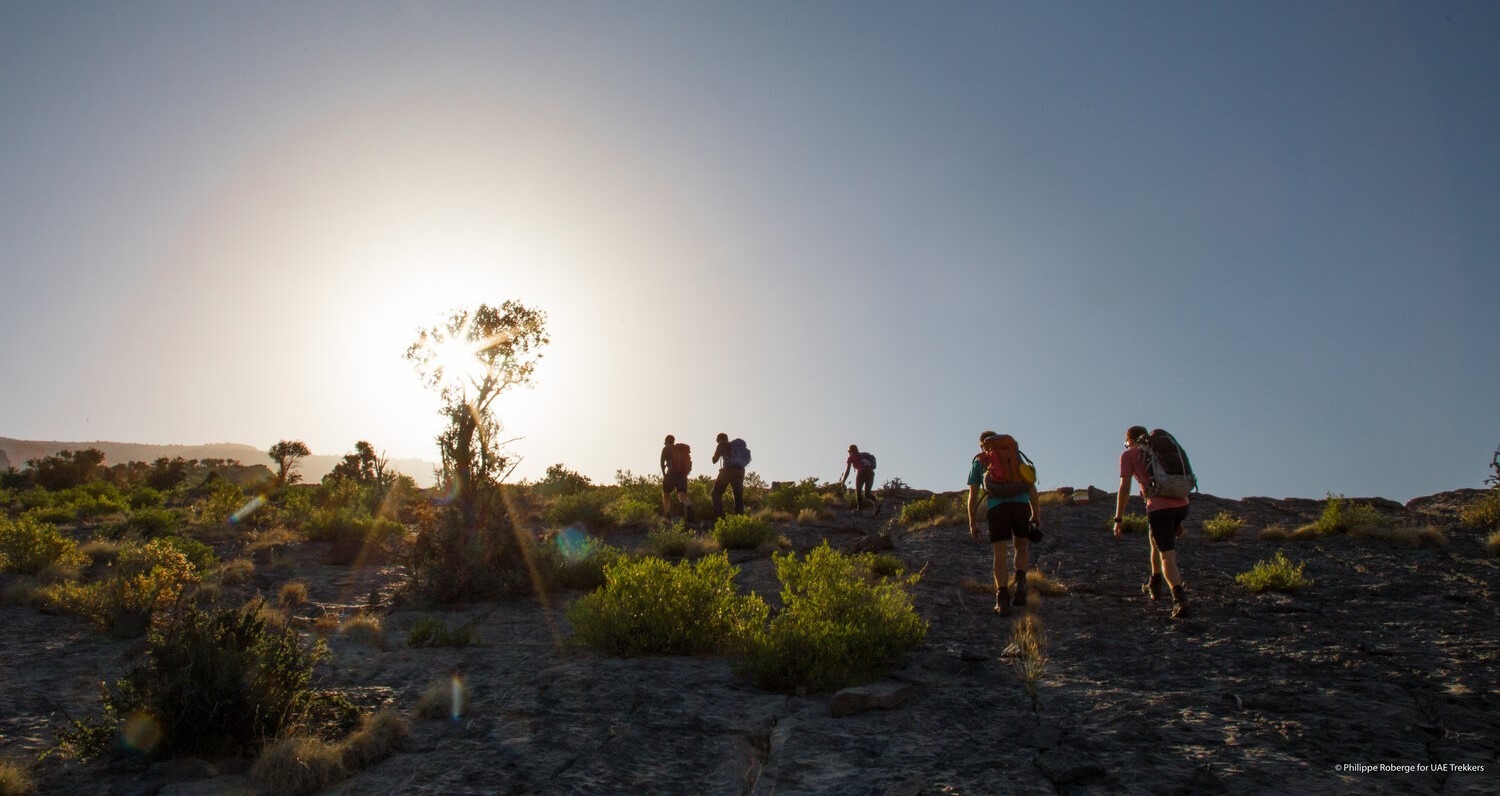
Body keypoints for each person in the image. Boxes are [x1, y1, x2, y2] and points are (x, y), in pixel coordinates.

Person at [1114, 425, 1190, 618]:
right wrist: (1178, 522)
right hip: (1182, 504)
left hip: (1159, 508)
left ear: (1130, 440)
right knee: (1153, 537)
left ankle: (1179, 598)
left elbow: (1124, 489)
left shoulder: (1130, 455)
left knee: (1167, 556)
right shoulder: (1159, 450)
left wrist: (1118, 518)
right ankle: (1154, 583)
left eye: (1126, 443)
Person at [966, 431, 1042, 616]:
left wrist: (972, 522)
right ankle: (1021, 583)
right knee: (1021, 546)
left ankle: (1002, 599)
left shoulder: (980, 461)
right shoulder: (1014, 456)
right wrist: (1035, 513)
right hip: (1021, 504)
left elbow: (973, 496)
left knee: (1000, 553)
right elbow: (1030, 485)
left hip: (997, 507)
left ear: (983, 445)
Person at [710, 432, 747, 518]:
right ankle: (739, 518)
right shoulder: (736, 447)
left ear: (719, 439)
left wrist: (716, 456)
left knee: (716, 493)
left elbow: (714, 460)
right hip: (740, 471)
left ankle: (718, 516)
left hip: (727, 471)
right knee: (738, 495)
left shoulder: (722, 444)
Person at [839, 444, 881, 515]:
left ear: (851, 451)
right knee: (867, 494)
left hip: (861, 474)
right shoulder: (864, 455)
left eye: (849, 452)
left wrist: (843, 481)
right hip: (870, 474)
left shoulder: (851, 458)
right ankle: (877, 503)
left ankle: (859, 510)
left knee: (858, 491)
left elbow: (848, 471)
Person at [659, 434, 690, 519]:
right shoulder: (679, 449)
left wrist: (664, 474)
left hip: (671, 474)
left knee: (666, 494)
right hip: (682, 475)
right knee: (681, 494)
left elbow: (662, 463)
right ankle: (689, 509)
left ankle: (667, 513)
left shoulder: (666, 449)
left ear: (666, 441)